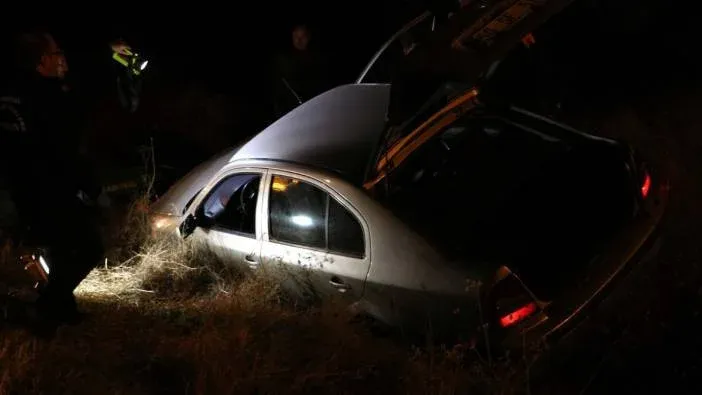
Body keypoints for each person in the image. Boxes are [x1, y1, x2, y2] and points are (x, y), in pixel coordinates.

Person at [0, 30, 108, 334]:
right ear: (40, 62)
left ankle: (64, 309)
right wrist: (89, 187)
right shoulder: (49, 98)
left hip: (23, 189)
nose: (63, 61)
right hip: (51, 190)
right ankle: (48, 308)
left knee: (62, 250)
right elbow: (66, 150)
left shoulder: (11, 93)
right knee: (88, 247)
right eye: (57, 54)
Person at [272, 24, 330, 117]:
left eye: (302, 36)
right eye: (296, 36)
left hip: (314, 109)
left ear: (309, 37)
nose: (299, 40)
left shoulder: (318, 60)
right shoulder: (284, 59)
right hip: (290, 113)